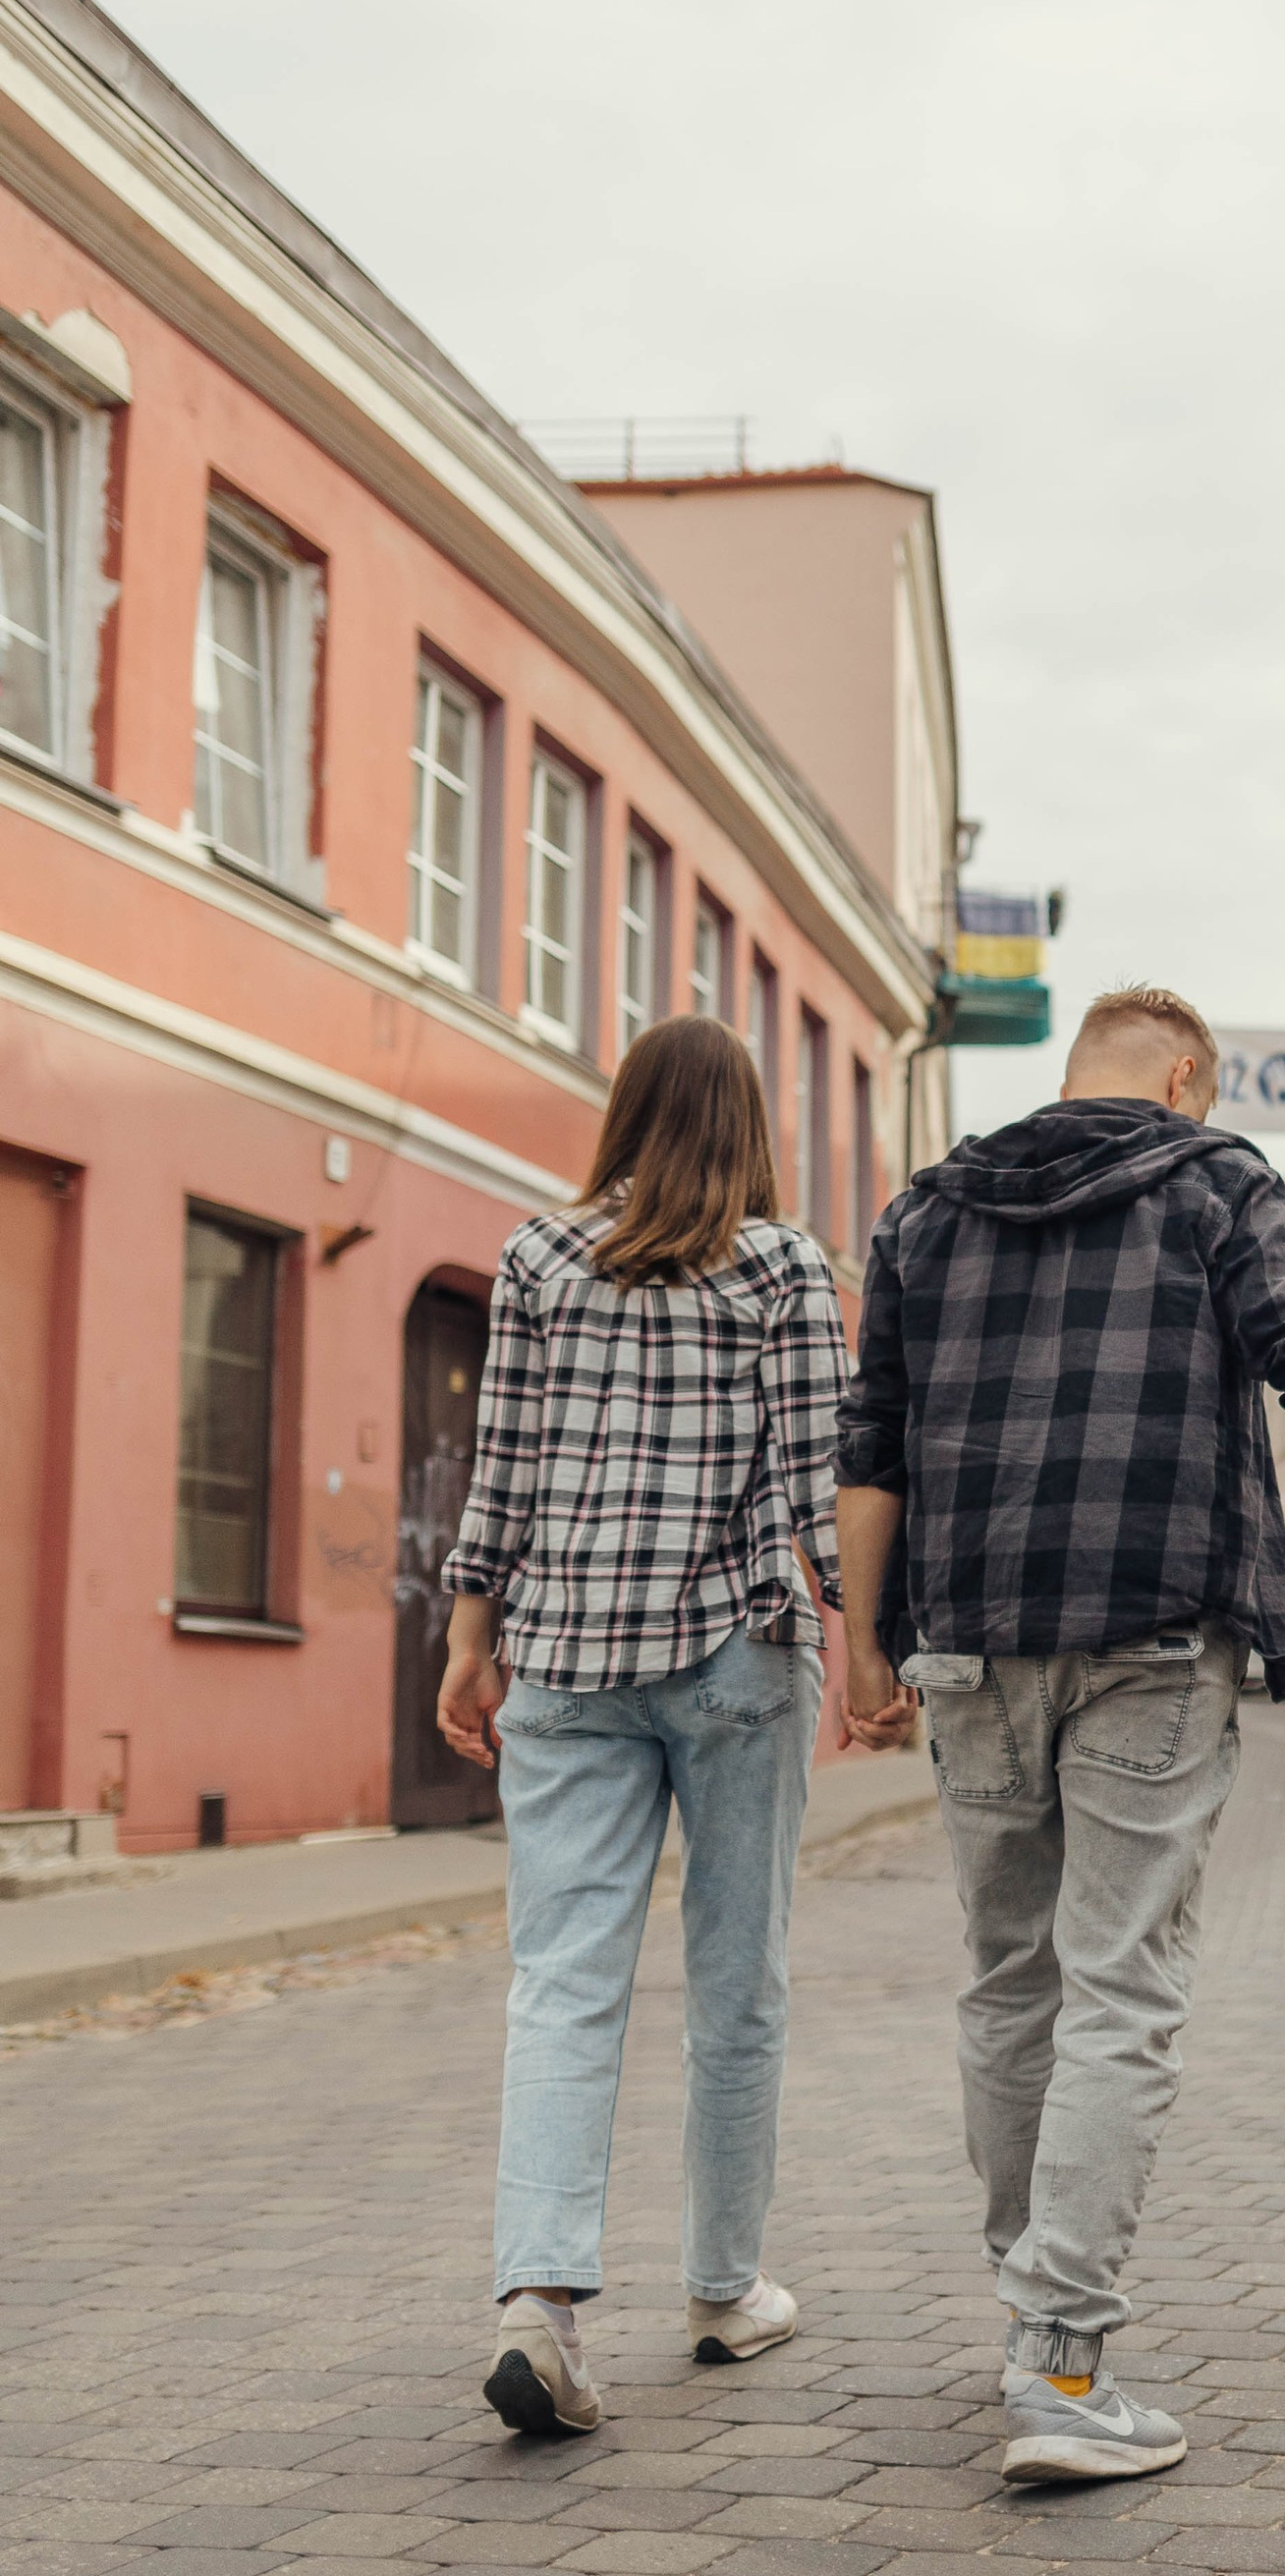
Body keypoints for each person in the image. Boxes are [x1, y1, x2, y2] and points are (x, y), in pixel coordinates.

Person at [833, 980, 1285, 2484]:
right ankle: (1063, 2360)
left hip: (965, 1637)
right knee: (1120, 1990)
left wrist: (859, 1646)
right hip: (1152, 1628)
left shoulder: (924, 1212)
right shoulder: (1210, 1177)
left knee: (1011, 1984)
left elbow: (872, 1443)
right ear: (1190, 1076)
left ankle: (1036, 2300)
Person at [438, 1014, 846, 2440]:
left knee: (562, 1981)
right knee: (740, 1980)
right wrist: (875, 1645)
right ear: (751, 1125)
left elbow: (506, 1464)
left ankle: (537, 2310)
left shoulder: (541, 1256)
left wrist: (468, 1635)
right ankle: (725, 2294)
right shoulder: (786, 1266)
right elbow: (816, 1482)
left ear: (622, 1117)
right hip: (736, 1651)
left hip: (560, 1652)